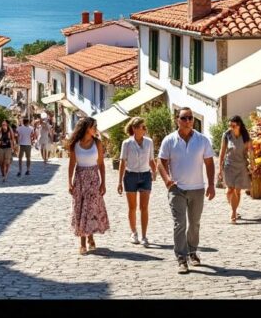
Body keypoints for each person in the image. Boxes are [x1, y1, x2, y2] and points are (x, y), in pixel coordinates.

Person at [158, 107, 215, 274]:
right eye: (184, 118)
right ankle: (181, 258)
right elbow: (161, 161)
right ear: (177, 120)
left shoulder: (202, 140)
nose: (188, 121)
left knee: (194, 224)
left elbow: (209, 163)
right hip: (177, 189)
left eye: (191, 118)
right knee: (180, 224)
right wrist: (167, 180)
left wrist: (211, 184)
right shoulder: (169, 140)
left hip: (197, 188)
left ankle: (192, 252)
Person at [67, 117, 109, 255]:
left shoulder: (97, 143)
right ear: (87, 128)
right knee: (80, 209)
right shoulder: (75, 144)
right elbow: (72, 164)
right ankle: (83, 242)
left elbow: (101, 164)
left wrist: (103, 182)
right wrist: (69, 182)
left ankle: (90, 236)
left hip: (93, 180)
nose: (96, 128)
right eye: (94, 126)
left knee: (91, 210)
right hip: (80, 179)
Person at [117, 117, 155, 247]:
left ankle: (144, 235)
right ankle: (134, 232)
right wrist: (120, 182)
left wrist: (154, 172)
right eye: (142, 127)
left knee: (144, 207)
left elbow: (151, 159)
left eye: (145, 127)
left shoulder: (149, 142)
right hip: (130, 176)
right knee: (132, 207)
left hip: (145, 176)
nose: (144, 129)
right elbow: (123, 162)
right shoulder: (126, 143)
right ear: (134, 129)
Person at [217, 115, 253, 224]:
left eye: (233, 126)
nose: (230, 128)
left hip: (241, 166)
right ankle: (233, 207)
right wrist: (220, 167)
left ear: (239, 125)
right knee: (229, 191)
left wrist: (253, 164)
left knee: (237, 190)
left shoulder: (246, 136)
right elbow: (222, 152)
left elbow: (251, 151)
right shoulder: (227, 135)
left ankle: (233, 212)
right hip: (229, 166)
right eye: (229, 125)